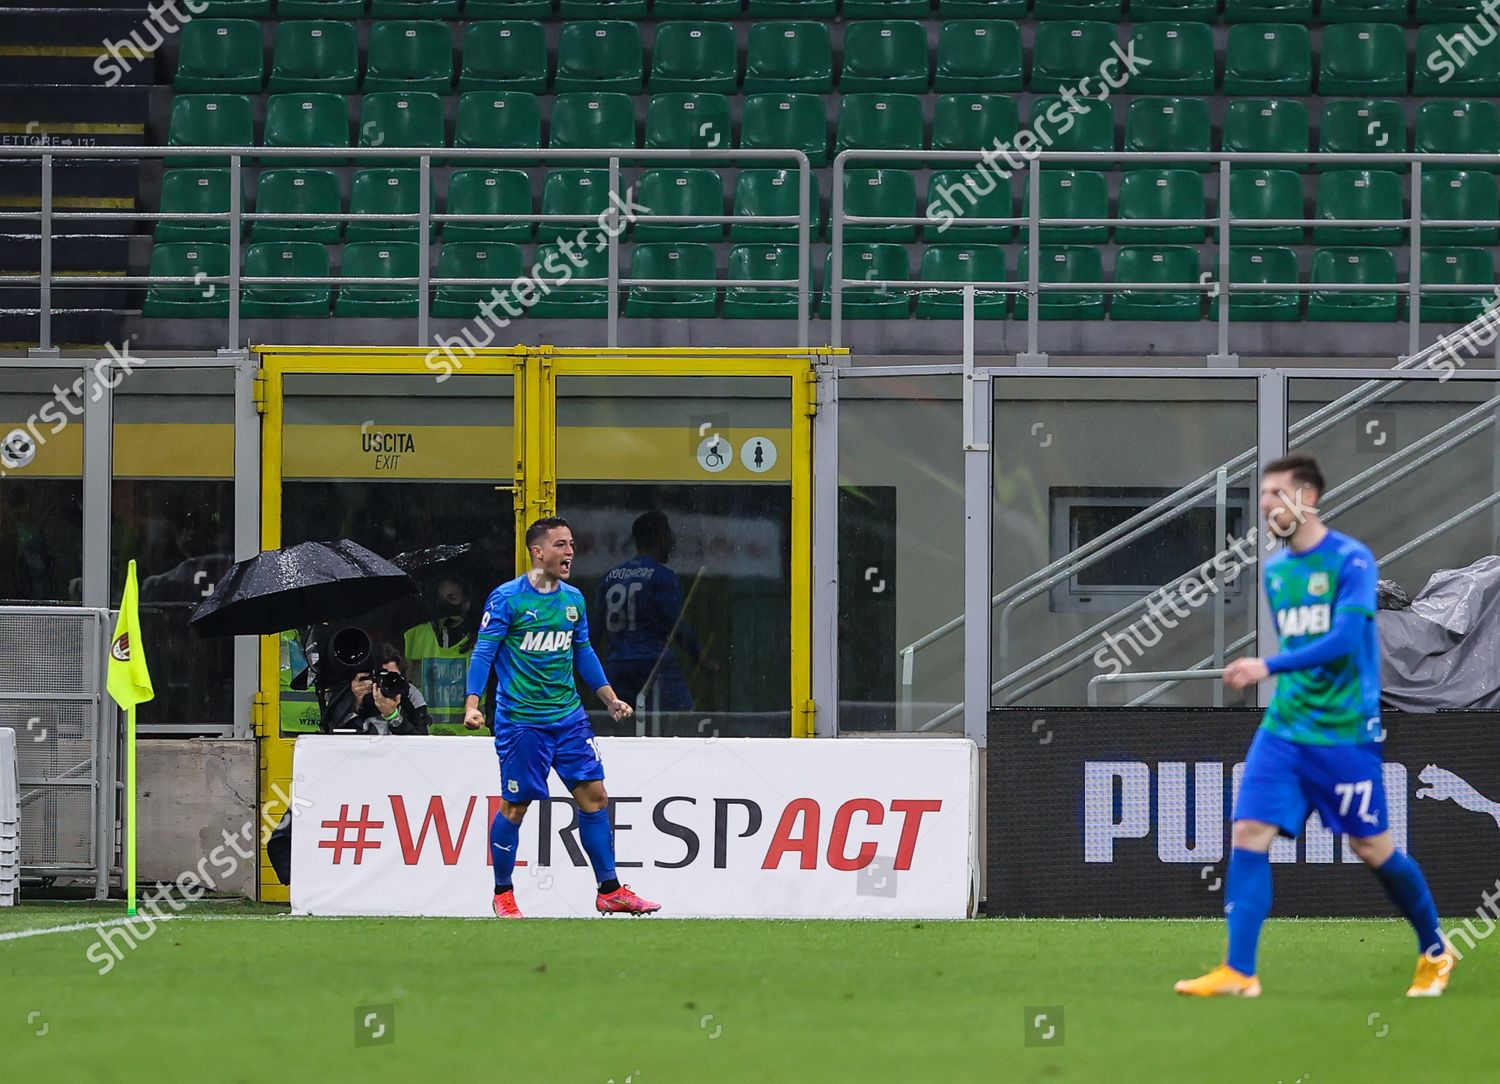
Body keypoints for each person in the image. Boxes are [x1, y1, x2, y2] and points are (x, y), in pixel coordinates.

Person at [1175, 455, 1453, 999]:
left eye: (1277, 494)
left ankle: (1436, 950)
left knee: (1371, 849)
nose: (1268, 506)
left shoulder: (1352, 561)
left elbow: (1347, 643)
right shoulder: (1278, 573)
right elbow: (1305, 648)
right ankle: (1240, 971)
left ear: (1309, 498)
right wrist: (1280, 675)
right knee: (1248, 834)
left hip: (1344, 733)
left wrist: (1267, 666)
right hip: (1284, 729)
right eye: (1264, 497)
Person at [464, 515, 661, 918]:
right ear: (537, 552)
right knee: (516, 807)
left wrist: (608, 698)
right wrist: (472, 704)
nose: (569, 551)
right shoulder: (507, 598)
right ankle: (503, 893)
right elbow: (483, 652)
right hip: (522, 722)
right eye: (560, 545)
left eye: (571, 544)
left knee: (596, 798)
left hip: (569, 718)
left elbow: (582, 652)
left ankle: (609, 890)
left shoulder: (573, 600)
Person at [595, 511, 707, 711]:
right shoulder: (663, 577)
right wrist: (698, 657)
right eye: (669, 537)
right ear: (660, 539)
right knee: (682, 718)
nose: (672, 544)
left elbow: (595, 630)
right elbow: (676, 624)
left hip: (617, 665)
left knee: (620, 724)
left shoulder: (609, 577)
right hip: (653, 664)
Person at [403, 578, 476, 735]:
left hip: (471, 739)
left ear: (466, 603)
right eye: (441, 599)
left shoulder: (481, 642)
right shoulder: (414, 636)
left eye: (452, 598)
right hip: (425, 737)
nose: (445, 605)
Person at [321, 643, 431, 736]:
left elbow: (421, 742)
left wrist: (394, 717)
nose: (390, 681)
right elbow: (332, 733)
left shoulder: (409, 692)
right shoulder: (357, 690)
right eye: (384, 676)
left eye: (394, 677)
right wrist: (354, 703)